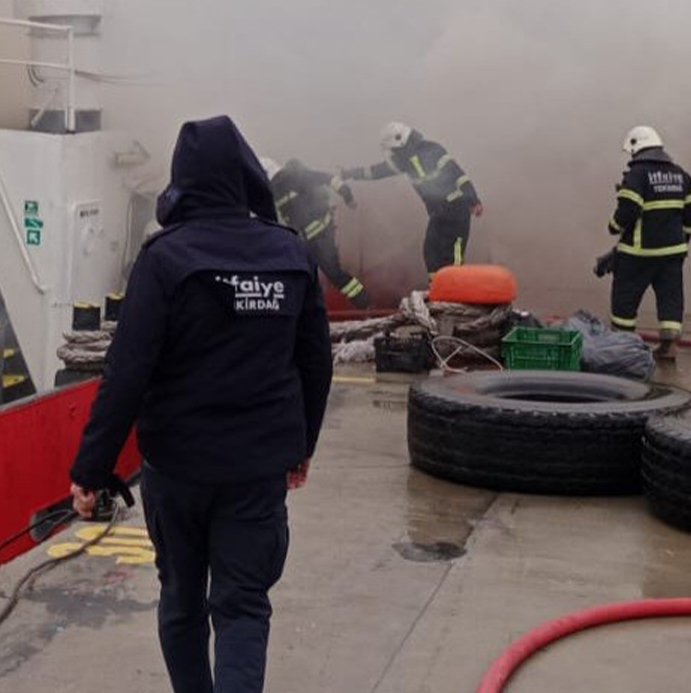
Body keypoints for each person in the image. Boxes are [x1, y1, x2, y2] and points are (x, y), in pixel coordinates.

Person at [68, 116, 334, 693]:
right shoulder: (291, 253)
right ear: (244, 176)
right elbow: (316, 363)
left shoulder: (165, 259)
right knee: (243, 606)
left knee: (182, 602)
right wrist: (302, 447)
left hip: (179, 468)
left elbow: (127, 373)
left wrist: (91, 470)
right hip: (257, 469)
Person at [605, 125, 691, 361]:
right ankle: (669, 346)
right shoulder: (681, 175)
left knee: (625, 298)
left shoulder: (637, 175)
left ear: (636, 148)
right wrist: (683, 240)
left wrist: (613, 226)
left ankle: (623, 346)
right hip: (673, 253)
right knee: (671, 298)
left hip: (639, 253)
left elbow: (628, 209)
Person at [343, 122, 483, 277]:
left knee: (452, 253)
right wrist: (350, 173)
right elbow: (377, 172)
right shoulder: (405, 161)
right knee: (431, 252)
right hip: (438, 214)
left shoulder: (433, 150)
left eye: (394, 150)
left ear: (401, 142)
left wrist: (473, 200)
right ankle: (437, 288)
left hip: (456, 210)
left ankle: (454, 287)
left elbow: (458, 175)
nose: (393, 153)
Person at [262, 157, 370, 308]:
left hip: (321, 235)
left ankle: (365, 304)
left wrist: (347, 195)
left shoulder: (297, 177)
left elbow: (329, 178)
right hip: (303, 239)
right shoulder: (274, 191)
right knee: (303, 274)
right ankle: (306, 311)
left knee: (333, 272)